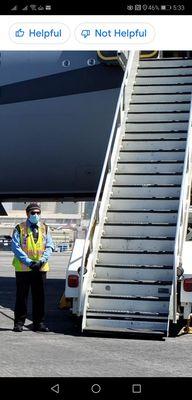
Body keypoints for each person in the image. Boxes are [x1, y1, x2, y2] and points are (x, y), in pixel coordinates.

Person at [11, 202, 54, 332]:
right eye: (33, 213)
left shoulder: (45, 228)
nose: (36, 215)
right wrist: (29, 262)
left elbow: (50, 246)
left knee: (39, 297)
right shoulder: (19, 228)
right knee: (21, 297)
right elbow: (15, 247)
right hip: (24, 268)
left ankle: (38, 323)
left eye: (38, 213)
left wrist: (42, 260)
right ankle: (19, 323)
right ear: (27, 214)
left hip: (40, 268)